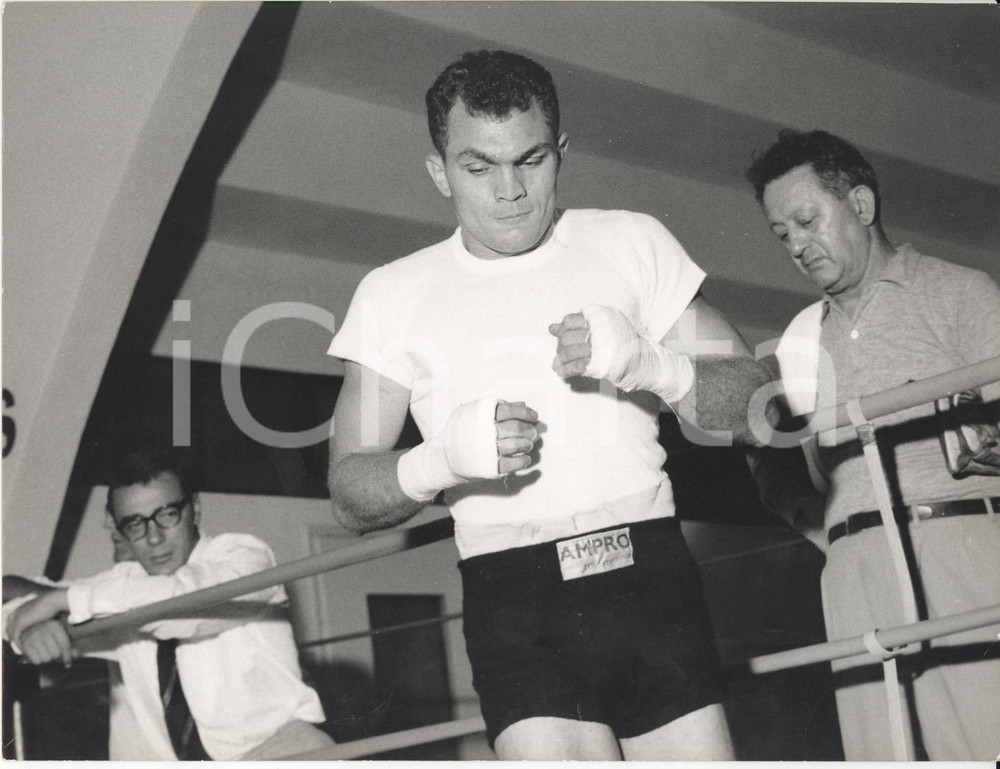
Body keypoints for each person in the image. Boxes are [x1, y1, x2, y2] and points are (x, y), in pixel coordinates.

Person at [327, 50, 772, 760]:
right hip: (514, 593)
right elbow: (348, 493)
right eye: (479, 167)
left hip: (648, 569)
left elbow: (758, 400)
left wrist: (652, 365)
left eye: (530, 161)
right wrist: (438, 460)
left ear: (561, 153)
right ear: (439, 170)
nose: (509, 190)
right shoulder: (391, 293)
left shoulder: (630, 241)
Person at [745, 128, 1000, 761]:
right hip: (852, 571)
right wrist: (819, 529)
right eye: (783, 235)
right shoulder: (798, 344)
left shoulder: (961, 292)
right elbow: (768, 463)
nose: (799, 246)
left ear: (860, 204)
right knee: (881, 750)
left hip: (960, 546)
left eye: (807, 221)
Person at [4, 447, 336, 761]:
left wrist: (63, 601)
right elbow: (12, 595)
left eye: (167, 514)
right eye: (135, 524)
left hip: (279, 751)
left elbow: (182, 603)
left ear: (196, 509)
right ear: (120, 530)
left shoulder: (246, 555)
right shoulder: (122, 590)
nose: (153, 537)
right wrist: (26, 628)